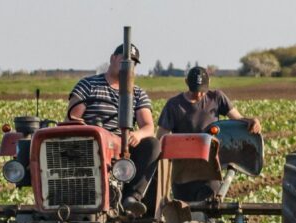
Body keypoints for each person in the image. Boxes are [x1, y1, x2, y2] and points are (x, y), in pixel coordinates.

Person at [67, 43, 158, 212]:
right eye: (124, 61)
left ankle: (131, 197)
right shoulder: (88, 85)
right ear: (112, 58)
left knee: (152, 145)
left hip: (121, 146)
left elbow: (148, 126)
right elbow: (72, 118)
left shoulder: (137, 93)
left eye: (132, 64)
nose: (127, 66)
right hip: (89, 143)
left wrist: (137, 134)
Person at [157, 66, 261, 201]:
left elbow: (238, 121)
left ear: (209, 83)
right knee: (184, 211)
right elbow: (161, 138)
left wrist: (251, 121)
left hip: (209, 170)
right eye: (195, 90)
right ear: (186, 82)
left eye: (202, 91)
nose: (199, 95)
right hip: (182, 172)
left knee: (210, 210)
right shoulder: (174, 105)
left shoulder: (217, 98)